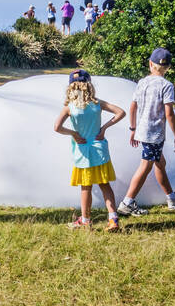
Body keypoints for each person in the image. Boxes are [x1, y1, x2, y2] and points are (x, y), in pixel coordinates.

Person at [118, 47, 175, 215]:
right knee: (145, 166)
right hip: (154, 134)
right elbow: (169, 113)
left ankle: (172, 198)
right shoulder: (167, 86)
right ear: (168, 68)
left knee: (160, 163)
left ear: (150, 64)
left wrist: (133, 128)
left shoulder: (142, 82)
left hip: (143, 132)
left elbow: (133, 107)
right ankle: (127, 202)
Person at [53, 68, 126, 231]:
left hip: (83, 153)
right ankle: (113, 219)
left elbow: (57, 127)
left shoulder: (69, 108)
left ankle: (85, 220)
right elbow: (121, 112)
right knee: (104, 184)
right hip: (100, 151)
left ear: (71, 88)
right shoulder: (97, 104)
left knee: (86, 187)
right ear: (89, 85)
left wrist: (73, 133)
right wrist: (104, 128)